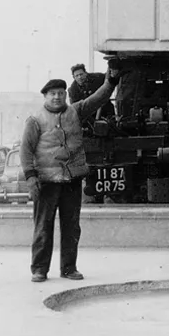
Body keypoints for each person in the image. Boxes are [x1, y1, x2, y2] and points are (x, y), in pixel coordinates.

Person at [21, 66, 119, 282]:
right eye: (52, 94)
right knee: (43, 227)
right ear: (45, 96)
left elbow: (98, 98)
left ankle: (69, 268)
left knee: (72, 227)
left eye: (60, 93)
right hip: (46, 182)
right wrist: (30, 177)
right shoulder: (34, 120)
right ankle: (39, 269)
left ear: (65, 95)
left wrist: (110, 82)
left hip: (72, 181)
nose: (57, 97)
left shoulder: (75, 111)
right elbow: (25, 150)